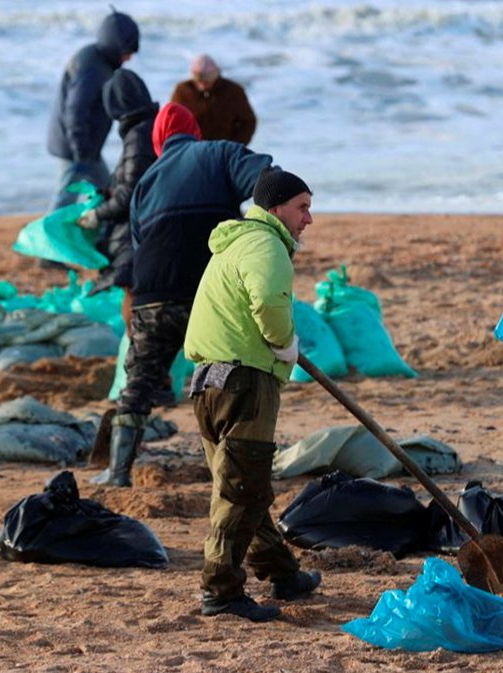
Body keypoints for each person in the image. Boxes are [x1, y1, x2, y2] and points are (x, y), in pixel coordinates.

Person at [89, 103, 272, 488]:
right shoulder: (219, 153)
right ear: (195, 132)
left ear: (157, 142)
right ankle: (233, 464)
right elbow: (268, 180)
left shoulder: (145, 184)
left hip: (150, 297)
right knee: (226, 374)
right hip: (207, 296)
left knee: (137, 383)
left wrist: (130, 296)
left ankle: (119, 471)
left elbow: (136, 248)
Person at [183, 167, 320, 621]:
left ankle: (283, 573)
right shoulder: (267, 245)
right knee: (241, 489)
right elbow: (267, 301)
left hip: (208, 379)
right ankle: (220, 591)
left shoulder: (235, 244)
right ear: (276, 208)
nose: (308, 219)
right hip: (245, 380)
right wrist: (284, 343)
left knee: (245, 482)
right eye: (302, 207)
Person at [46, 10, 140, 211]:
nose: (130, 57)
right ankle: (47, 240)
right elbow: (75, 111)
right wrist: (80, 153)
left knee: (106, 191)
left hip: (86, 149)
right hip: (75, 149)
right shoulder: (92, 67)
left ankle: (101, 236)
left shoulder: (99, 61)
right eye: (128, 51)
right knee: (65, 200)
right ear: (117, 46)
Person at [75, 68, 158, 292]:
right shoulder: (149, 127)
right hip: (150, 226)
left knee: (129, 291)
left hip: (137, 234)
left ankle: (130, 329)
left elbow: (131, 192)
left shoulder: (138, 137)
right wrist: (108, 193)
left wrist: (97, 214)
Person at [170, 54, 257, 145]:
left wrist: (235, 146)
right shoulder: (182, 91)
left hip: (224, 152)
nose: (202, 86)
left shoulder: (233, 91)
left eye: (206, 82)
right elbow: (171, 122)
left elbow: (248, 121)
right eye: (199, 82)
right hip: (191, 150)